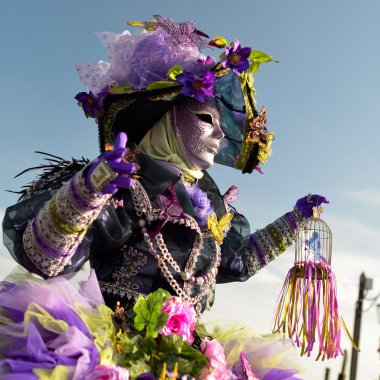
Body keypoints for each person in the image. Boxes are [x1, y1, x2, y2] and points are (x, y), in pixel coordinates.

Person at [1, 15, 328, 379]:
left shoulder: (208, 204)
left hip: (186, 358)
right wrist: (86, 192)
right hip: (112, 349)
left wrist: (293, 221)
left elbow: (233, 264)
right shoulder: (125, 181)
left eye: (222, 126)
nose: (220, 136)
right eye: (206, 118)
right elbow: (44, 260)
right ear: (167, 121)